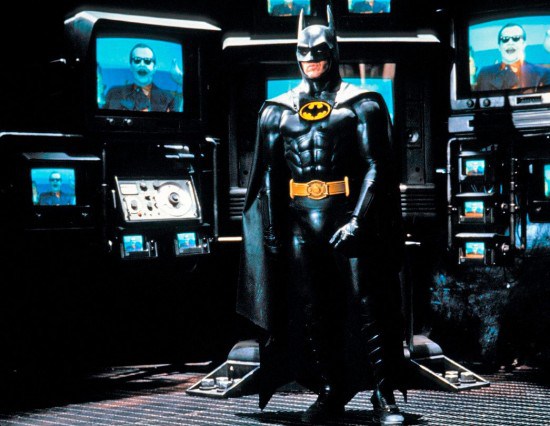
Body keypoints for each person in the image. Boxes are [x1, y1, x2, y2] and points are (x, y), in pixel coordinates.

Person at [237, 6, 407, 425]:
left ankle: (383, 395)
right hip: (300, 222)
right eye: (303, 51)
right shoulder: (277, 111)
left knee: (368, 307)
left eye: (319, 50)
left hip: (346, 214)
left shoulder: (361, 105)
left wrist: (359, 221)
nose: (311, 58)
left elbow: (378, 167)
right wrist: (272, 229)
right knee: (313, 310)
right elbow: (270, 175)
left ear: (334, 51)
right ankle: (330, 390)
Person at [476, 23, 550, 91]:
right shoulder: (485, 73)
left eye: (516, 38)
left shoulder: (543, 73)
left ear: (524, 44)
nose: (510, 42)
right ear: (499, 46)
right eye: (505, 39)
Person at [104, 43, 178, 112]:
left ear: (154, 68)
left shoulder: (169, 99)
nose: (142, 64)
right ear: (131, 66)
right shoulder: (113, 94)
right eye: (137, 60)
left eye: (147, 61)